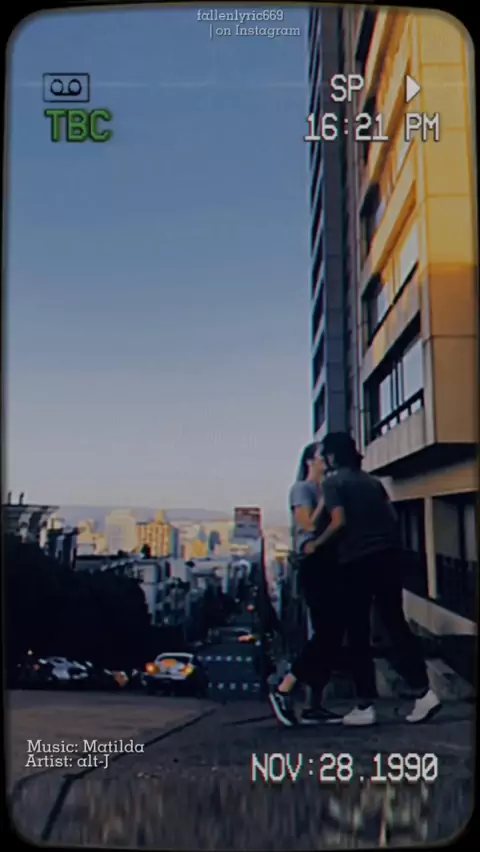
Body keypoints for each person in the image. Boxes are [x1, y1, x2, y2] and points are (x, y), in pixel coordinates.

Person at [304, 431, 441, 726]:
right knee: (395, 623)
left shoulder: (333, 482)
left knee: (358, 631)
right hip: (388, 556)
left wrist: (316, 544)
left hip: (357, 561)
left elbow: (338, 521)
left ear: (332, 456)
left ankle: (365, 705)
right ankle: (424, 692)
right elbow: (392, 517)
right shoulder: (372, 482)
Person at [268, 442, 345, 727]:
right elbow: (309, 525)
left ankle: (315, 704)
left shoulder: (327, 487)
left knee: (331, 633)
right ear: (311, 461)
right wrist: (326, 498)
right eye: (323, 455)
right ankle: (285, 687)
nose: (328, 460)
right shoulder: (302, 489)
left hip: (330, 561)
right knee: (325, 630)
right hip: (314, 563)